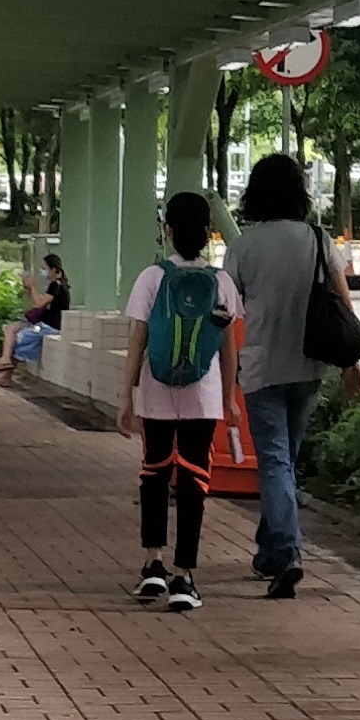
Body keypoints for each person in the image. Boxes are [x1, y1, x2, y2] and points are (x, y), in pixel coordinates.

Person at [224, 154, 360, 600]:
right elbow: (341, 303)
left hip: (261, 367)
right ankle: (270, 552)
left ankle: (285, 552)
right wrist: (352, 362)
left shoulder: (243, 246)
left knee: (274, 461)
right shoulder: (318, 239)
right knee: (285, 460)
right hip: (308, 366)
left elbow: (224, 310)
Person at [120, 193, 244, 612]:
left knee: (154, 474)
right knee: (194, 480)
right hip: (203, 396)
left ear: (168, 230)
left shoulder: (151, 278)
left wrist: (126, 394)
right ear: (209, 232)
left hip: (156, 392)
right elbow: (228, 348)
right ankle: (184, 576)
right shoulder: (222, 282)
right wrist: (229, 398)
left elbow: (137, 338)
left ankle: (152, 564)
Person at [0, 254, 70, 387]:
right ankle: (5, 368)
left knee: (18, 338)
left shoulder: (56, 285)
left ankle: (5, 365)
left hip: (48, 326)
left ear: (54, 269)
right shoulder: (59, 285)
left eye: (45, 268)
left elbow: (39, 303)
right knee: (13, 334)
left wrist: (33, 287)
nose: (42, 271)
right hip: (46, 324)